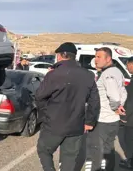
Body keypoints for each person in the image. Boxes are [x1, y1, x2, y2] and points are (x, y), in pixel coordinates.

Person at [35, 42, 100, 171]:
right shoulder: (88, 75)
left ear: (62, 55)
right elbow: (95, 102)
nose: (57, 58)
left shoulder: (54, 74)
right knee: (69, 158)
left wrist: (46, 113)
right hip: (76, 125)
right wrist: (89, 122)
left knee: (44, 150)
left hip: (54, 124)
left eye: (57, 55)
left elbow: (39, 96)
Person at [84, 47, 127, 171]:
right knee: (108, 150)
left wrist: (115, 107)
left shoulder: (109, 74)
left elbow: (114, 96)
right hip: (112, 120)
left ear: (108, 59)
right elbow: (123, 93)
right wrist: (118, 107)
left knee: (96, 151)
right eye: (95, 56)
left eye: (98, 57)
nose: (95, 60)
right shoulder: (116, 72)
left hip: (103, 120)